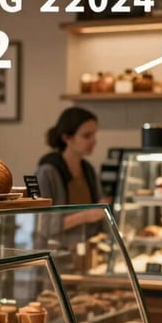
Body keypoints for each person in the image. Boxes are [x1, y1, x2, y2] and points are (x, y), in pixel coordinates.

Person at [34, 107, 110, 254]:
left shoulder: (88, 169)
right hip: (55, 254)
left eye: (94, 135)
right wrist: (86, 216)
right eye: (87, 136)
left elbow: (99, 208)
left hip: (85, 253)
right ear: (67, 138)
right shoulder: (47, 172)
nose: (94, 141)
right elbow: (41, 224)